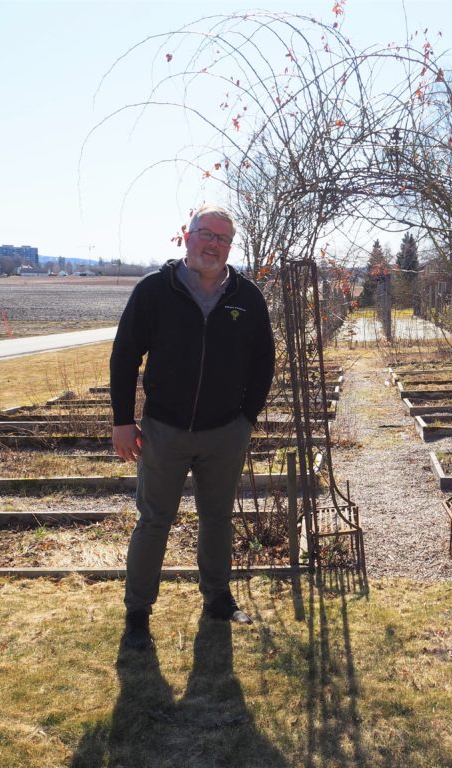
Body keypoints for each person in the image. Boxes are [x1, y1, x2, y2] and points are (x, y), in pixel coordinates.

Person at [110, 204, 275, 650]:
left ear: (229, 246)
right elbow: (125, 356)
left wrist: (246, 418)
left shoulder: (247, 296)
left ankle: (217, 599)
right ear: (188, 236)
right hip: (164, 430)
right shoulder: (154, 291)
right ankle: (138, 613)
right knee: (153, 521)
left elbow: (264, 362)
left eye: (223, 239)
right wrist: (123, 421)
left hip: (225, 432)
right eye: (206, 234)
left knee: (218, 519)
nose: (213, 245)